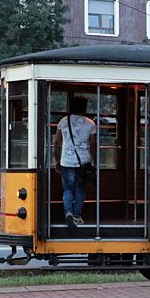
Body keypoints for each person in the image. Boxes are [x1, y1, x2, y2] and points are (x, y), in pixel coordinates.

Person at [53, 96, 97, 229]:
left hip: (66, 161)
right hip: (84, 161)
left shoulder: (63, 121)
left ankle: (68, 213)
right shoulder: (90, 123)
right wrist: (93, 161)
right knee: (80, 189)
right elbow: (93, 145)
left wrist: (57, 160)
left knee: (68, 189)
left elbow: (57, 142)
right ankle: (77, 215)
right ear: (85, 107)